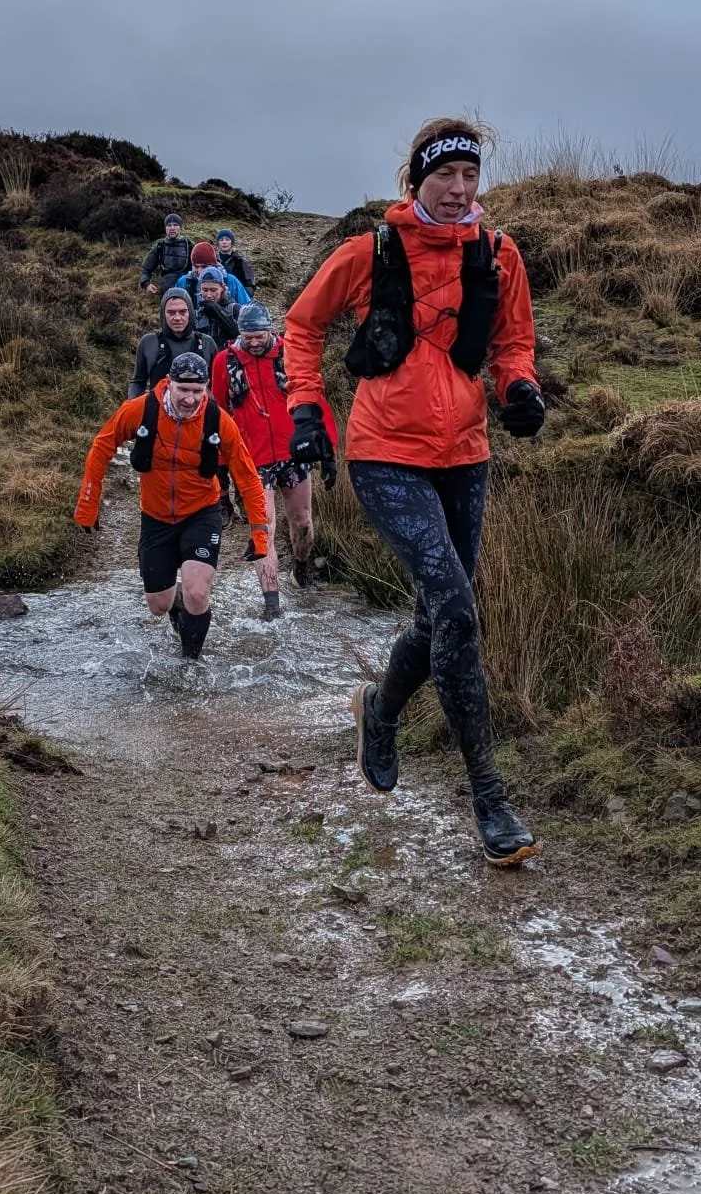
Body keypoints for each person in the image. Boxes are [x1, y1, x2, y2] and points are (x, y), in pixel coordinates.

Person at [283, 117, 547, 867]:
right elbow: (302, 327)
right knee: (459, 611)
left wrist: (519, 388)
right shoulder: (368, 252)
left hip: (465, 455)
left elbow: (513, 342)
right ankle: (491, 800)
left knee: (440, 615)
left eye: (470, 175)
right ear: (415, 180)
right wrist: (308, 408)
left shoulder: (499, 254)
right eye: (444, 176)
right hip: (384, 455)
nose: (460, 189)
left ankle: (380, 709)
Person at [74, 351, 270, 660]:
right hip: (156, 516)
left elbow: (247, 476)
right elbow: (102, 446)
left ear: (206, 388)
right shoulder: (141, 410)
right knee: (158, 605)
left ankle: (190, 662)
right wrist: (88, 501)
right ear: (169, 383)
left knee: (197, 592)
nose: (190, 399)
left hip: (202, 513)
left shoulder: (218, 421)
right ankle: (178, 601)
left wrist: (259, 531)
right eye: (183, 390)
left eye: (198, 391)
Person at [211, 302, 331, 620]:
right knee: (263, 529)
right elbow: (219, 412)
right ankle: (272, 605)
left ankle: (301, 567)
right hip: (252, 460)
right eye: (247, 336)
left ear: (270, 330)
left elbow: (313, 397)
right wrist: (220, 465)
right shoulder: (224, 362)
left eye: (259, 336)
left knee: (302, 522)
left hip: (293, 454)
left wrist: (326, 448)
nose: (253, 342)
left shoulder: (289, 353)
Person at [128, 287, 218, 397]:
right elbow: (138, 382)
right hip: (158, 406)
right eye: (171, 312)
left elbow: (216, 385)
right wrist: (132, 403)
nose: (177, 317)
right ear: (163, 314)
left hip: (198, 406)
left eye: (182, 312)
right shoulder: (148, 342)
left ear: (190, 312)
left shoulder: (206, 343)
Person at [180, 241, 248, 310]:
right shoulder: (183, 282)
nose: (200, 271)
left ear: (214, 265)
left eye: (204, 267)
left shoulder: (231, 281)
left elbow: (248, 310)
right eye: (196, 266)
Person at [140, 212, 193, 295]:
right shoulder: (160, 246)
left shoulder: (189, 245)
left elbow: (201, 266)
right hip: (166, 289)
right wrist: (146, 284)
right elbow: (146, 268)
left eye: (175, 225)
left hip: (186, 288)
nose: (172, 228)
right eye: (169, 225)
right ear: (165, 228)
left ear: (180, 227)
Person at [214, 229, 255, 296]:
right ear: (218, 243)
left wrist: (241, 295)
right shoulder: (213, 261)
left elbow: (250, 286)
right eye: (221, 240)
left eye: (227, 239)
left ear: (232, 242)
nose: (224, 242)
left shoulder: (241, 262)